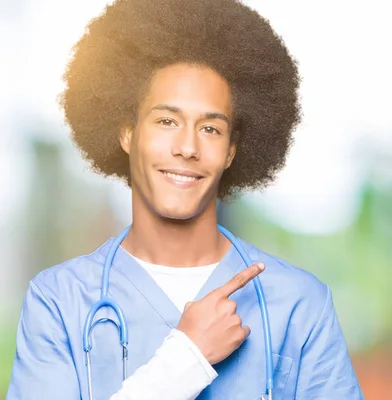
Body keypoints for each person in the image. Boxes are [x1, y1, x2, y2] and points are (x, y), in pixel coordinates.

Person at [6, 0, 364, 399]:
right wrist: (187, 360)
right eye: (166, 121)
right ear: (127, 133)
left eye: (210, 129)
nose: (187, 147)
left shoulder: (300, 306)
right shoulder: (59, 301)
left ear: (231, 150)